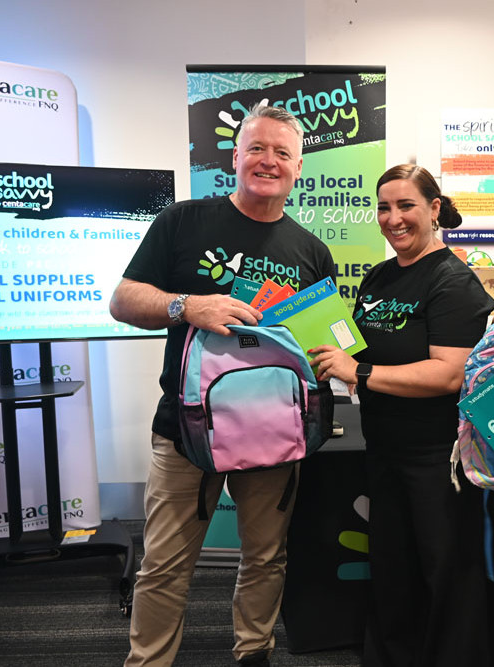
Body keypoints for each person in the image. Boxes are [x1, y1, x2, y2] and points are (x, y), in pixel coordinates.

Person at [110, 103, 336, 667]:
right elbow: (122, 302)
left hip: (273, 429)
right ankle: (148, 662)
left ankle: (253, 653)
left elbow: (328, 346)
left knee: (265, 556)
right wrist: (188, 305)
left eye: (282, 152)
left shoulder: (311, 251)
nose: (268, 160)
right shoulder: (183, 222)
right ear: (234, 157)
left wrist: (334, 357)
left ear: (299, 168)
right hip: (187, 428)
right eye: (256, 147)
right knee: (164, 562)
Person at [309, 165, 494, 667]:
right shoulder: (379, 276)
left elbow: (448, 374)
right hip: (385, 447)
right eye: (384, 207)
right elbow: (352, 346)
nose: (393, 218)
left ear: (434, 209)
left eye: (406, 206)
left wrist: (359, 372)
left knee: (447, 570)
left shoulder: (453, 281)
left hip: (438, 456)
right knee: (394, 567)